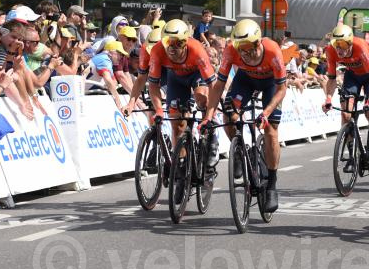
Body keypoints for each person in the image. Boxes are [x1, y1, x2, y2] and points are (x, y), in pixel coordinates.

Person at [202, 18, 286, 211]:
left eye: (249, 48)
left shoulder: (273, 50)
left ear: (258, 42)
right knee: (229, 115)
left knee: (271, 130)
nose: (245, 53)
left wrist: (265, 113)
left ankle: (272, 184)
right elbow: (219, 85)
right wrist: (208, 115)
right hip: (246, 80)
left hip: (271, 84)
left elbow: (282, 89)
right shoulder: (231, 50)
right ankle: (241, 152)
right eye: (241, 48)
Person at [147, 19, 216, 169]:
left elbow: (213, 86)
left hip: (196, 75)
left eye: (178, 43)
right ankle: (182, 162)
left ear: (186, 42)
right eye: (168, 42)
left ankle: (211, 136)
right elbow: (152, 85)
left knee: (200, 99)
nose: (172, 48)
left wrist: (210, 115)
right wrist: (159, 110)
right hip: (176, 79)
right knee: (177, 125)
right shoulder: (158, 50)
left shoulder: (197, 49)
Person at [321, 23, 369, 167]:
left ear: (350, 43)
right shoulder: (331, 51)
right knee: (346, 115)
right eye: (336, 44)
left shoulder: (361, 47)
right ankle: (352, 154)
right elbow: (332, 78)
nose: (339, 49)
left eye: (343, 45)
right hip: (352, 75)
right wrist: (328, 98)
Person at [121, 27, 164, 118]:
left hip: (176, 70)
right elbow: (141, 79)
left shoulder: (173, 50)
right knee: (153, 102)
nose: (154, 53)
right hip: (158, 70)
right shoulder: (144, 50)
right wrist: (131, 104)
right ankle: (155, 130)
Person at [89, 39, 129, 110]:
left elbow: (114, 82)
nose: (121, 57)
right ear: (111, 52)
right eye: (120, 54)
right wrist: (118, 102)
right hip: (87, 94)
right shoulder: (105, 59)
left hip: (90, 93)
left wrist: (111, 85)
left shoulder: (106, 60)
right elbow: (108, 80)